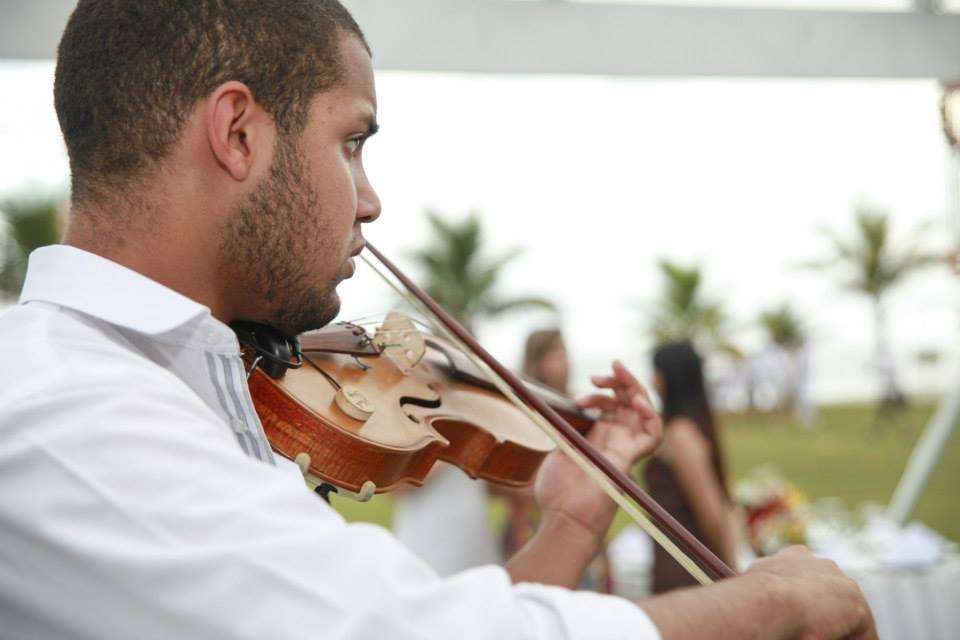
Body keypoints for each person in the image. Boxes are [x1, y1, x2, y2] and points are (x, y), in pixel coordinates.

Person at [0, 2, 876, 638]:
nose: (370, 201)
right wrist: (773, 603)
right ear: (237, 132)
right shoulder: (67, 407)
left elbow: (412, 616)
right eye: (352, 142)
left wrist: (570, 519)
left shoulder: (163, 388)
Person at [500, 329, 612, 593]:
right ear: (538, 362)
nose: (567, 362)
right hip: (531, 528)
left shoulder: (578, 409)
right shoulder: (520, 414)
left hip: (580, 524)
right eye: (557, 354)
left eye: (566, 354)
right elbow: (498, 481)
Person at [644, 342, 739, 594]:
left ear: (671, 379)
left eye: (657, 375)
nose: (653, 384)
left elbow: (712, 516)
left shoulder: (681, 434)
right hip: (680, 566)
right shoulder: (688, 427)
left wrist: (732, 578)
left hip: (685, 574)